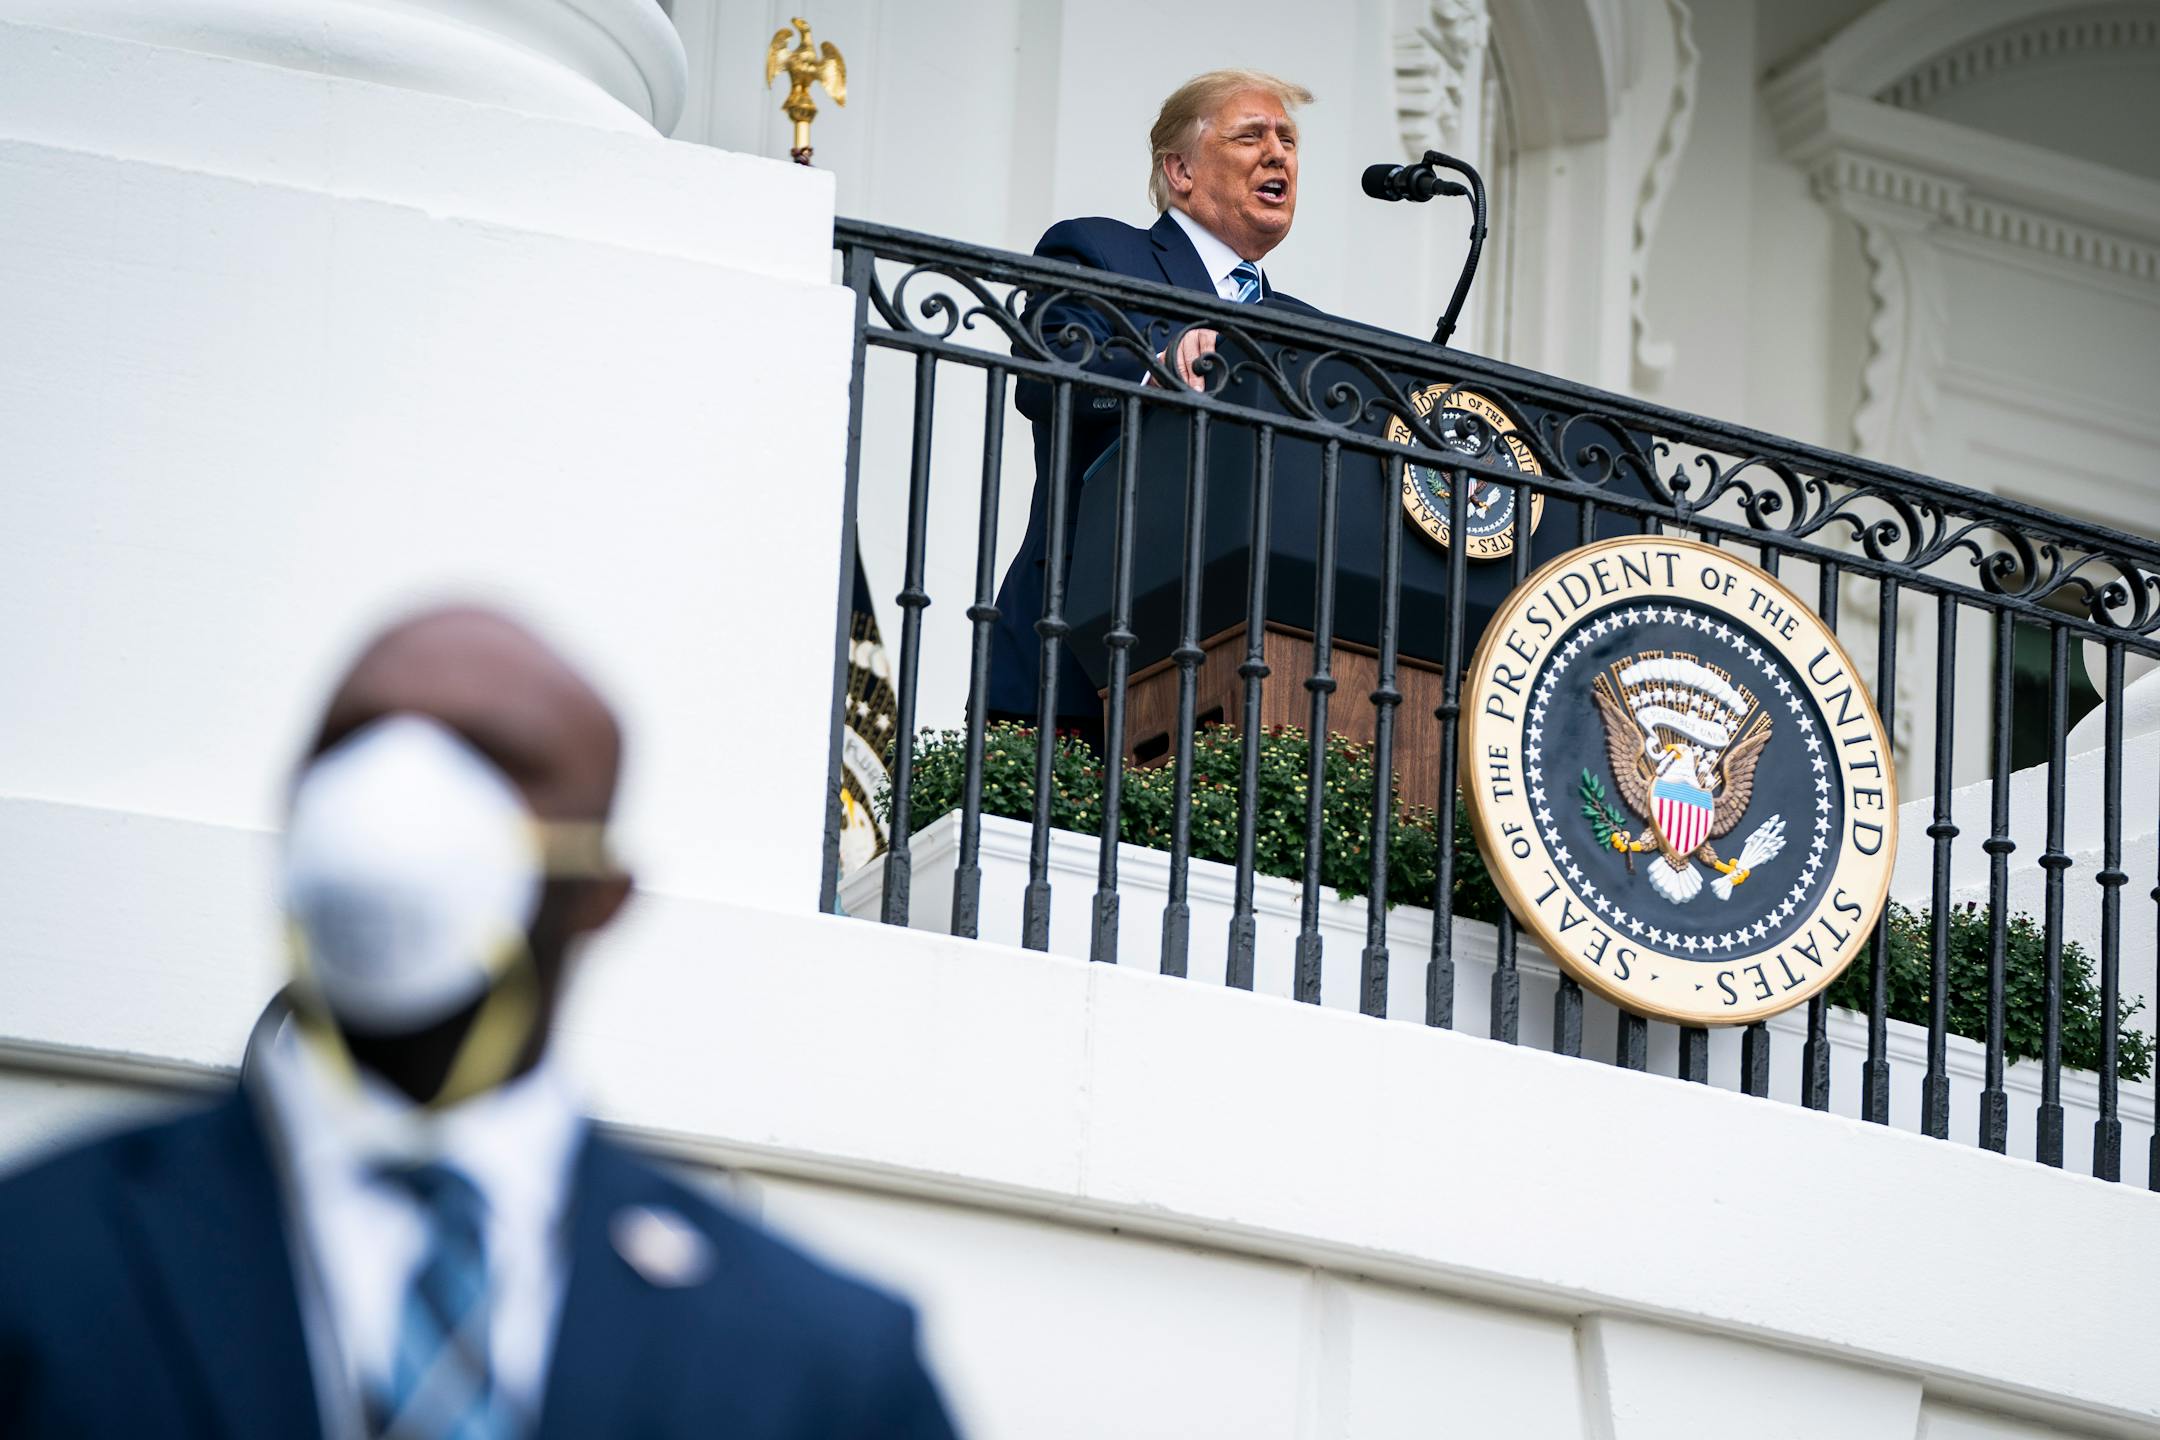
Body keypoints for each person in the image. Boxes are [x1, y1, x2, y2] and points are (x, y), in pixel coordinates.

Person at [0, 606, 961, 1440]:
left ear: (602, 894)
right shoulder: (37, 1265)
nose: (398, 802)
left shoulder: (823, 1364)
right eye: (357, 739)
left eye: (493, 757)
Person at [984, 69, 1320, 739]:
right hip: (1078, 645)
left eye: (1287, 139)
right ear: (1181, 170)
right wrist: (1156, 374)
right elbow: (1046, 377)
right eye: (1250, 135)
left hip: (1246, 673)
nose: (1277, 152)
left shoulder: (1305, 328)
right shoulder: (1101, 252)